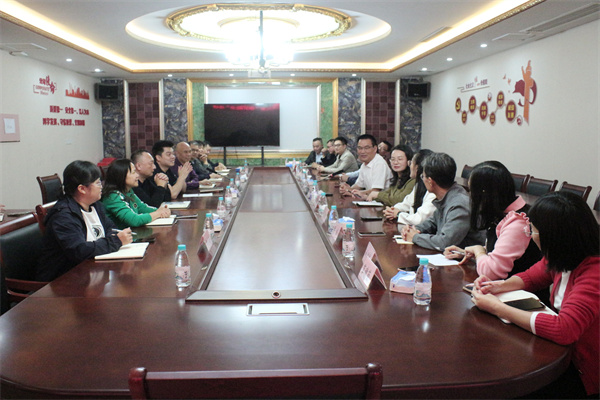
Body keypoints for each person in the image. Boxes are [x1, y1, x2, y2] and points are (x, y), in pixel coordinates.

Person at [471, 191, 599, 398]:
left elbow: (565, 329)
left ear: (554, 237)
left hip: (584, 371)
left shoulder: (594, 272)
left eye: (533, 230)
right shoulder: (565, 255)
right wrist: (499, 286)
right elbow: (534, 276)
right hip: (561, 355)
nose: (531, 235)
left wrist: (497, 307)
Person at [443, 161, 542, 282]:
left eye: (472, 191)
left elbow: (490, 273)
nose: (470, 196)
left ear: (485, 194)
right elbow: (500, 250)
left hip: (521, 292)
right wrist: (469, 253)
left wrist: (479, 251)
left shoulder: (517, 223)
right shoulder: (503, 212)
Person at [36, 161, 133, 282]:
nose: (101, 186)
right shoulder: (63, 216)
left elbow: (110, 229)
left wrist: (114, 238)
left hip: (91, 272)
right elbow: (79, 251)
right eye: (98, 183)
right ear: (82, 189)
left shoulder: (95, 205)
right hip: (62, 281)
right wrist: (116, 241)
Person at [401, 152, 484, 250]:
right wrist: (413, 229)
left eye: (423, 176)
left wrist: (415, 237)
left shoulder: (459, 204)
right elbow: (433, 222)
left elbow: (445, 243)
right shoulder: (448, 195)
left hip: (465, 258)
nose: (422, 180)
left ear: (430, 181)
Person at [101, 159, 171, 229]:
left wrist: (162, 211)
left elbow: (142, 208)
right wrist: (158, 213)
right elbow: (134, 220)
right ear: (121, 176)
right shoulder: (112, 196)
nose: (137, 175)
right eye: (133, 172)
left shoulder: (128, 191)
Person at [383, 149, 436, 225]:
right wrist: (393, 210)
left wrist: (398, 214)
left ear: (417, 168)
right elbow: (406, 203)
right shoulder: (418, 185)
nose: (409, 166)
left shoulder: (433, 191)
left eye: (411, 163)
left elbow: (419, 219)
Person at [339, 134, 393, 201]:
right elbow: (358, 185)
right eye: (360, 148)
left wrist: (356, 192)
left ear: (375, 149)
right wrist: (347, 189)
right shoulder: (364, 165)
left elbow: (376, 191)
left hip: (382, 203)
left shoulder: (379, 164)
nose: (362, 151)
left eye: (366, 148)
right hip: (370, 201)